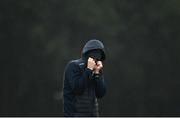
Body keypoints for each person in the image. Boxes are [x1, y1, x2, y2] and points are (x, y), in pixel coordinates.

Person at [63, 39, 106, 116]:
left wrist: (97, 73)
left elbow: (101, 93)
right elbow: (78, 89)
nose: (96, 57)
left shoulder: (97, 69)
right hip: (74, 115)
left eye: (98, 55)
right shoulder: (73, 66)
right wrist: (88, 70)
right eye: (93, 53)